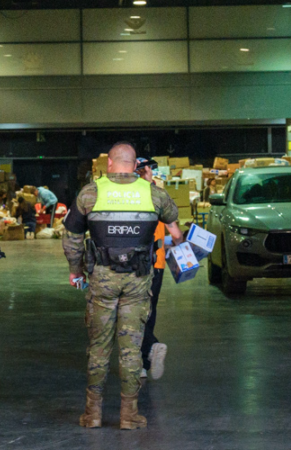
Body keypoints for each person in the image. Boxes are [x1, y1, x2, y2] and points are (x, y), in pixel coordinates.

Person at [62, 143, 182, 430]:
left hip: (102, 278)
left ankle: (92, 414)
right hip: (138, 279)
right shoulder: (153, 193)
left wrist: (75, 270)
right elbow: (176, 233)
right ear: (135, 165)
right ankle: (129, 415)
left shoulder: (92, 191)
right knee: (131, 348)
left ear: (111, 165)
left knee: (99, 347)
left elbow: (72, 237)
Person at [136, 158, 177, 381]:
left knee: (130, 315)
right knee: (148, 313)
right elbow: (176, 232)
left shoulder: (126, 195)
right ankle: (147, 354)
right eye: (148, 168)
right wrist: (176, 243)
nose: (151, 171)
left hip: (130, 264)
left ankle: (144, 359)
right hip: (156, 263)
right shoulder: (159, 196)